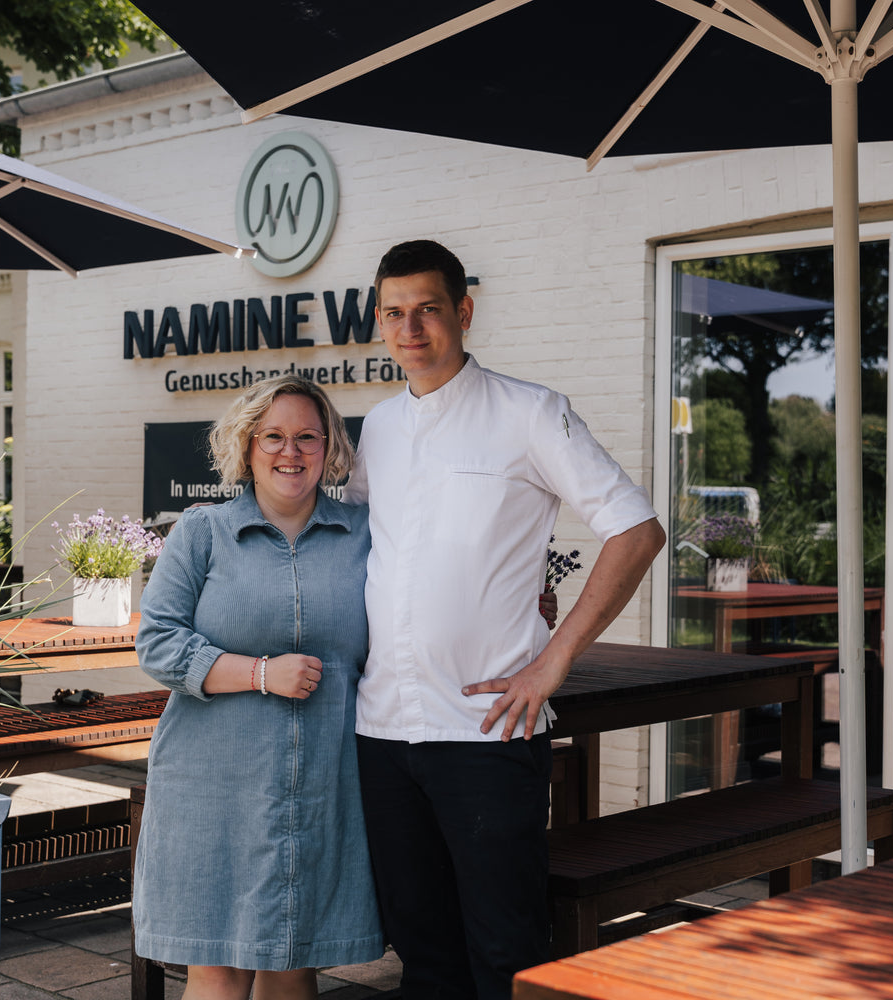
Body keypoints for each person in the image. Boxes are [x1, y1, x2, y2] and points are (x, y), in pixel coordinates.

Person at [345, 240, 666, 1000]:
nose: (410, 327)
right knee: (421, 955)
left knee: (508, 954)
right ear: (380, 324)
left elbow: (637, 530)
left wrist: (553, 660)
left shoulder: (529, 412)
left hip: (486, 733)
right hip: (383, 732)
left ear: (463, 310)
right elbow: (364, 552)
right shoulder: (379, 430)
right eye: (394, 313)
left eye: (427, 309)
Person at [134, 374, 382, 1000]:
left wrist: (519, 606)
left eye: (306, 437)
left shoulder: (366, 535)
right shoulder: (202, 532)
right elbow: (158, 642)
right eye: (273, 437)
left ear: (329, 449)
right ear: (247, 447)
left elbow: (416, 616)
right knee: (216, 965)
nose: (289, 452)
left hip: (323, 780)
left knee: (293, 960)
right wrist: (262, 674)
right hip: (214, 780)